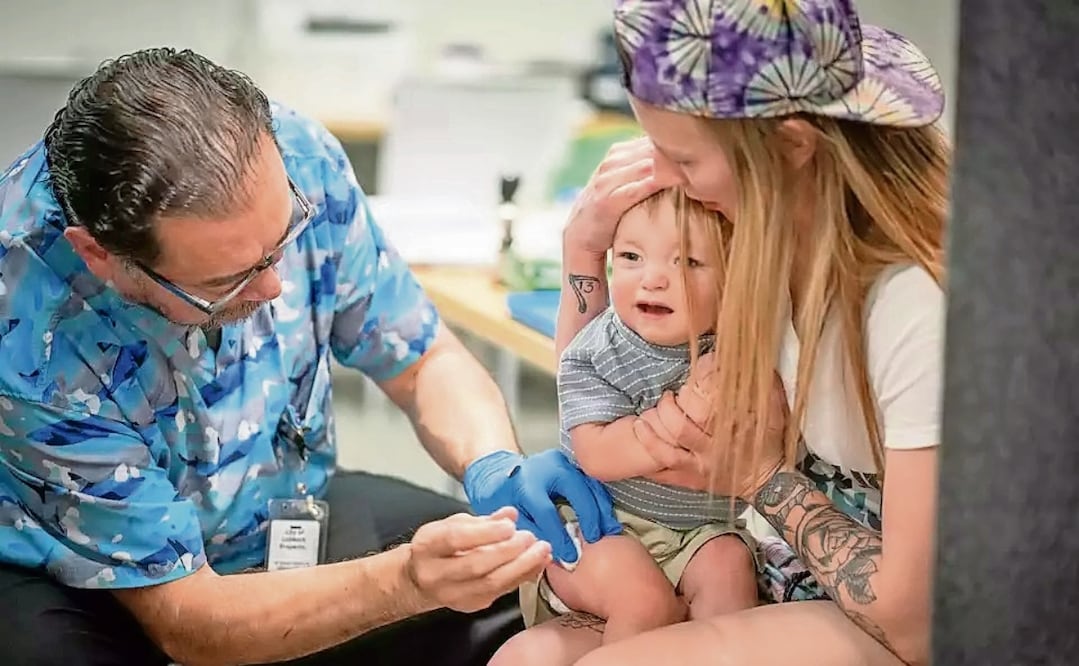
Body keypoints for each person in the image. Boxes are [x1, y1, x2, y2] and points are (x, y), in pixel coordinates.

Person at [0, 48, 621, 666]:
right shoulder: (27, 322)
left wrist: (493, 465)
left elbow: (423, 361)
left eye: (281, 243)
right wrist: (402, 583)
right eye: (228, 281)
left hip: (283, 505)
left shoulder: (292, 155)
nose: (273, 289)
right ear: (101, 255)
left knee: (516, 593)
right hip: (92, 578)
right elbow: (188, 618)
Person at [491, 0, 949, 664]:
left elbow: (914, 621)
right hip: (783, 572)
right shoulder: (753, 250)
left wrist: (761, 474)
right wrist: (583, 252)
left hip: (893, 621)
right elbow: (609, 374)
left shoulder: (910, 305)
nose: (662, 180)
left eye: (682, 158)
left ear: (792, 147)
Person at [493, 188, 759, 659]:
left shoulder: (736, 350)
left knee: (731, 570)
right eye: (631, 257)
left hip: (698, 531)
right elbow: (596, 452)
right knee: (645, 601)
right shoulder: (597, 349)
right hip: (603, 526)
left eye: (689, 263)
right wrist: (679, 422)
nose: (653, 279)